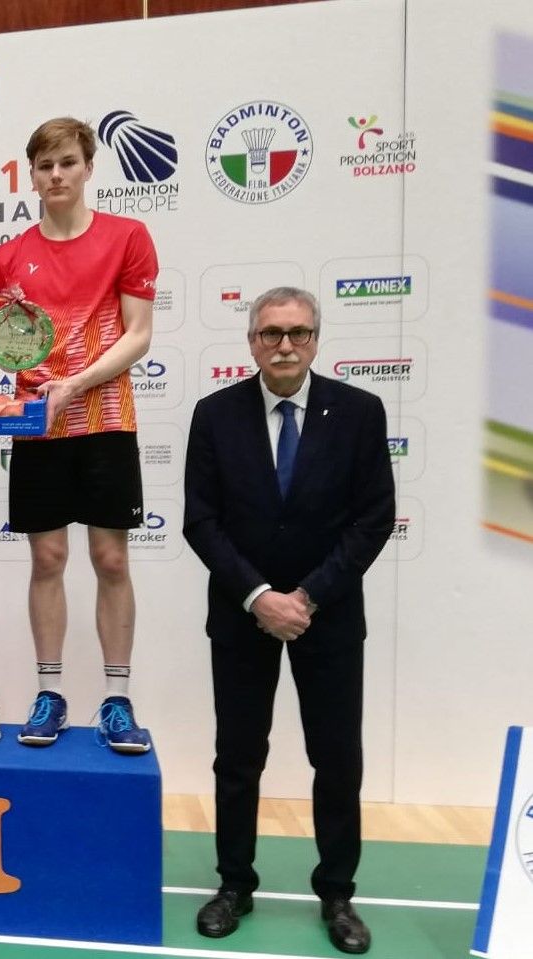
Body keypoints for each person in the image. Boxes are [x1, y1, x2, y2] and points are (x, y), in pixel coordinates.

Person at [183, 287, 393, 954]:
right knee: (239, 758)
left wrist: (305, 596)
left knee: (336, 760)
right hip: (242, 615)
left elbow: (373, 518)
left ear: (315, 340)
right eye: (271, 332)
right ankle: (235, 884)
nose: (283, 344)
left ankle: (337, 893)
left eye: (298, 332)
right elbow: (200, 520)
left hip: (325, 616)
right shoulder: (214, 414)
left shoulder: (360, 412)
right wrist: (257, 596)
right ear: (251, 342)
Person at [0, 116, 158, 753]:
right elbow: (7, 348)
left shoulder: (129, 236)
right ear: (33, 175)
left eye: (67, 162)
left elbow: (138, 334)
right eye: (45, 166)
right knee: (46, 559)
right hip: (36, 427)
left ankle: (118, 699)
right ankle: (50, 694)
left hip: (105, 422)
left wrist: (72, 386)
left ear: (88, 166)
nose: (56, 175)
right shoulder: (9, 255)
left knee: (111, 559)